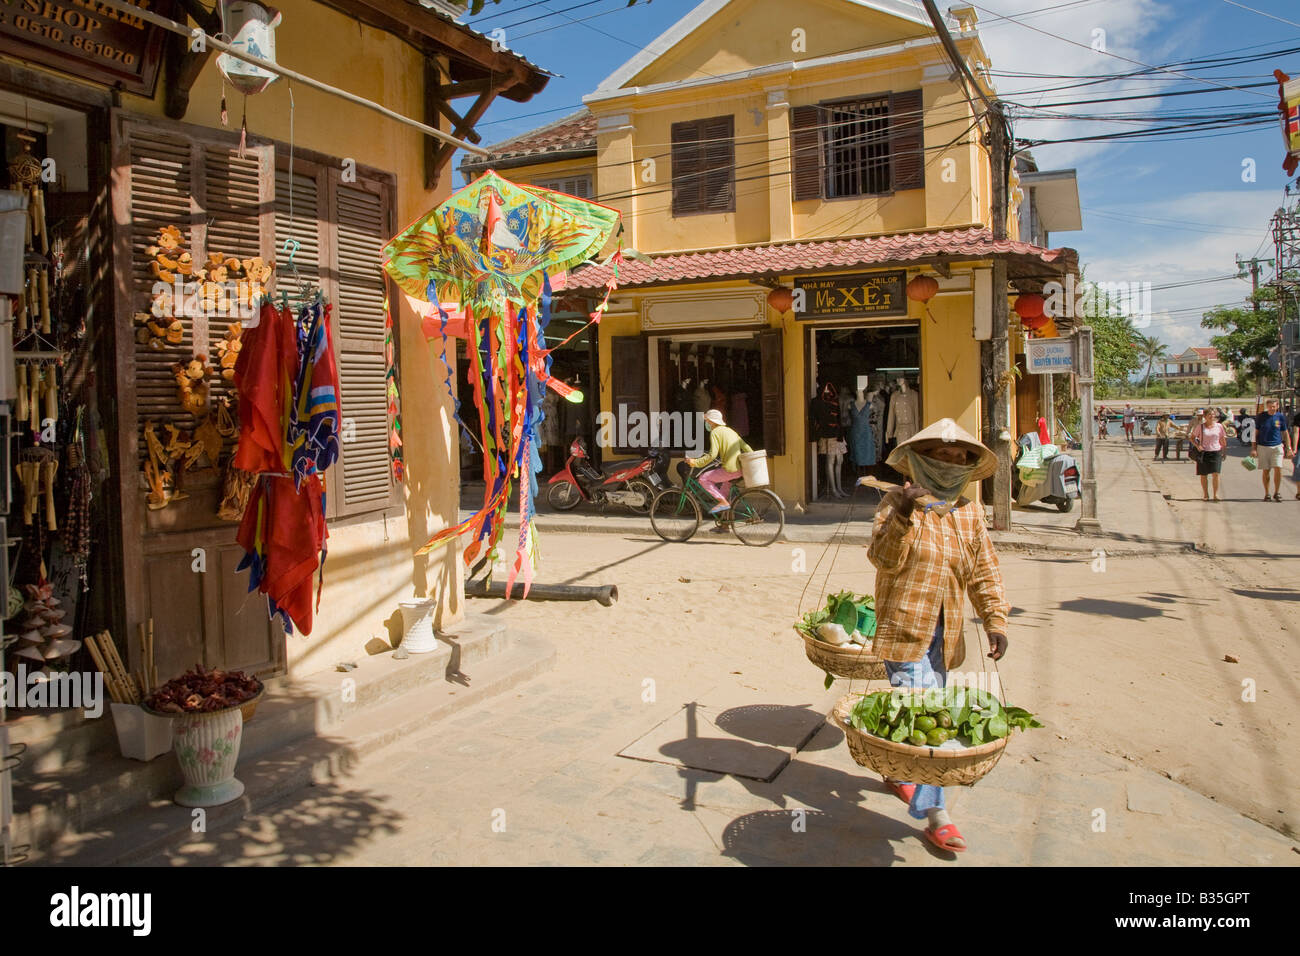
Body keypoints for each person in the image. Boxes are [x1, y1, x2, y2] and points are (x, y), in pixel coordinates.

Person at [868, 419, 1009, 855]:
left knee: (927, 710)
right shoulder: (894, 501)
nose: (948, 464)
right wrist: (907, 514)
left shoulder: (969, 513)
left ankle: (899, 771)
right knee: (931, 717)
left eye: (957, 458)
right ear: (920, 461)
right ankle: (938, 816)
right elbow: (883, 560)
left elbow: (983, 569)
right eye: (939, 457)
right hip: (904, 627)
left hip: (945, 635)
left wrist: (995, 620)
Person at [685, 408, 751, 516]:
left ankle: (723, 503)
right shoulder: (731, 431)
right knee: (723, 494)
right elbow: (746, 447)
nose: (706, 423)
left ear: (712, 421)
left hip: (730, 470)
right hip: (740, 470)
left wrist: (696, 462)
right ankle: (725, 523)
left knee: (703, 478)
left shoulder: (715, 432)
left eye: (707, 420)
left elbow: (712, 455)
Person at [1252, 398, 1293, 502]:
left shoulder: (1280, 417)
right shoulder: (1261, 417)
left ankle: (1277, 492)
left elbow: (1285, 433)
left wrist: (1289, 448)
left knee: (1278, 468)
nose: (1272, 408)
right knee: (1266, 471)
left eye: (1274, 406)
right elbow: (1255, 433)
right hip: (1263, 447)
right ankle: (1267, 493)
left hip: (1277, 446)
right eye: (1270, 406)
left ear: (1277, 406)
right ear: (1267, 406)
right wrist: (1254, 448)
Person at [1190, 407, 1227, 502]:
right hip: (1204, 452)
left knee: (1216, 474)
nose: (1212, 416)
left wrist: (1224, 451)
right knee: (1204, 474)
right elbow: (1192, 438)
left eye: (1213, 414)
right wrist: (1198, 446)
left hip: (1216, 452)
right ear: (1205, 416)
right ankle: (1206, 494)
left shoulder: (1219, 426)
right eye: (1209, 414)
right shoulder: (1200, 427)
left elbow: (1222, 439)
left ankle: (1215, 494)